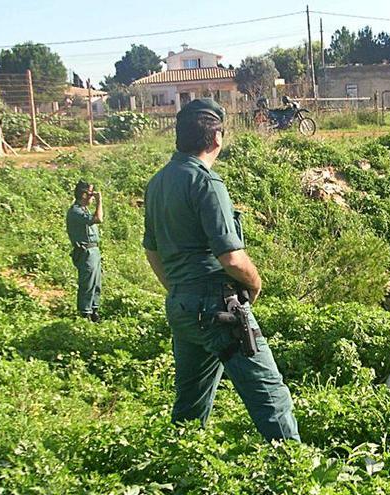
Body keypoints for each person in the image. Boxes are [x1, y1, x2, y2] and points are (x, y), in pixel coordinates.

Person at [142, 98, 300, 441]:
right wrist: (254, 287)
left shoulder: (158, 183)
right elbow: (232, 258)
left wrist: (179, 288)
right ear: (217, 138)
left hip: (182, 308)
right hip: (219, 309)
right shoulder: (206, 182)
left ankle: (181, 467)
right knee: (271, 399)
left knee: (190, 404)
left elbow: (152, 250)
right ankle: (296, 471)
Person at [66, 180, 104, 322]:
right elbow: (98, 218)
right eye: (90, 194)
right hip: (85, 252)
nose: (92, 197)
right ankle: (84, 313)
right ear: (83, 195)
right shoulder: (75, 211)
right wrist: (100, 202)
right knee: (87, 283)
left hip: (93, 250)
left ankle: (94, 310)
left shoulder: (84, 209)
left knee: (96, 283)